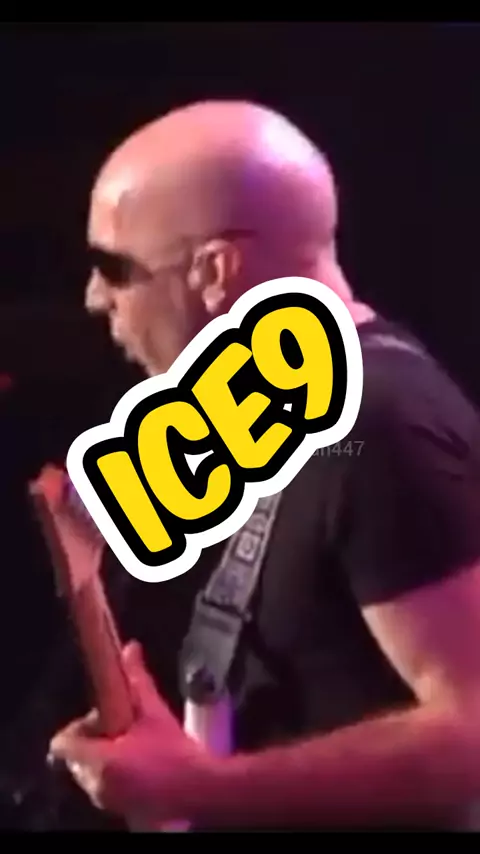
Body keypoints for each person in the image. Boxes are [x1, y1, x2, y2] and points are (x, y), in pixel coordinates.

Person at [48, 100, 480, 829]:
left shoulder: (381, 425)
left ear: (214, 270)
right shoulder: (277, 411)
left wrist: (201, 790)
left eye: (114, 269)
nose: (95, 299)